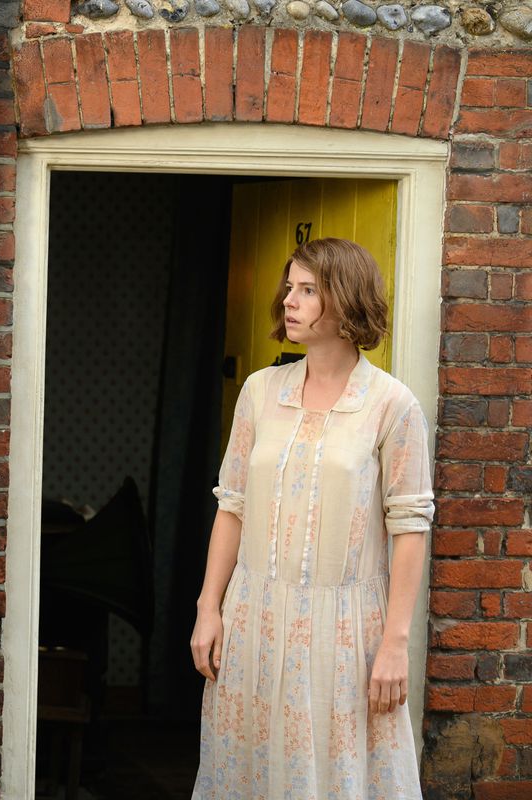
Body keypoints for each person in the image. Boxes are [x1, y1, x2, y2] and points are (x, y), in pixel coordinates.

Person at [190, 238, 433, 798]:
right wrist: (209, 608)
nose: (287, 302)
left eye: (307, 291)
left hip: (346, 634)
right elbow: (232, 505)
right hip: (254, 623)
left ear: (346, 302)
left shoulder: (392, 406)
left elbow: (410, 527)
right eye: (289, 288)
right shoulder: (259, 391)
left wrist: (395, 642)